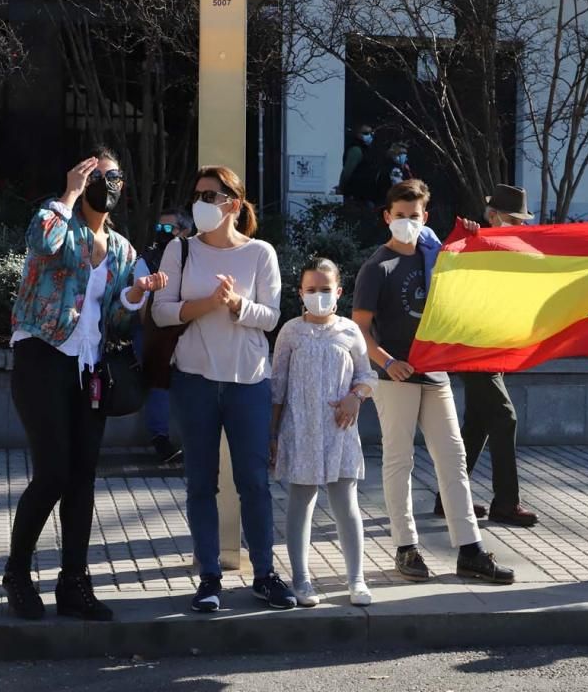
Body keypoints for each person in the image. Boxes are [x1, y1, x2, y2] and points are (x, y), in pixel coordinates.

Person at [3, 147, 167, 621]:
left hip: (91, 368)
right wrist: (68, 195)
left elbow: (114, 317)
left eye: (116, 178)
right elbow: (39, 240)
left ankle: (74, 582)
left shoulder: (120, 248)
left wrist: (136, 294)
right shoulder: (59, 222)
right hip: (42, 356)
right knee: (53, 472)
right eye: (101, 176)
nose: (109, 185)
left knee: (83, 479)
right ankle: (17, 573)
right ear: (82, 176)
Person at [352, 179, 516, 584]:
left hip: (435, 373)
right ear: (387, 217)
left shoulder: (435, 253)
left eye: (415, 215)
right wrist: (388, 363)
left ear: (426, 216)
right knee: (399, 461)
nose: (407, 221)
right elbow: (359, 330)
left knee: (453, 459)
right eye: (400, 215)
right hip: (395, 378)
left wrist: (476, 240)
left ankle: (470, 549)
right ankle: (406, 548)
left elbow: (469, 279)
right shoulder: (377, 266)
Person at [152, 165, 297, 613]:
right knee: (200, 482)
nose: (200, 204)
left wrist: (237, 305)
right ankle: (209, 577)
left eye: (210, 196)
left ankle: (265, 575)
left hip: (248, 380)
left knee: (253, 482)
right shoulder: (179, 250)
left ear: (233, 204)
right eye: (197, 195)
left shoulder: (260, 253)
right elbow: (161, 313)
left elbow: (272, 317)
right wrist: (207, 304)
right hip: (194, 379)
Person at [427, 185, 539, 527]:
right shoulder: (472, 243)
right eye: (512, 219)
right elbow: (448, 263)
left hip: (487, 348)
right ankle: (506, 503)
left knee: (476, 426)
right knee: (504, 418)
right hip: (473, 349)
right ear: (492, 216)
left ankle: (448, 499)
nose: (517, 226)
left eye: (521, 220)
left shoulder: (505, 249)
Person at [272, 257, 377, 607]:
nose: (319, 295)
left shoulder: (349, 331)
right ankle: (301, 580)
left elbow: (367, 375)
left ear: (339, 292)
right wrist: (272, 435)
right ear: (300, 293)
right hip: (300, 429)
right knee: (301, 502)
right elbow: (278, 386)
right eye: (312, 289)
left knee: (346, 504)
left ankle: (356, 579)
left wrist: (355, 397)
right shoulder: (290, 331)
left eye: (326, 289)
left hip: (339, 432)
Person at [132, 208, 193, 464]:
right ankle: (160, 439)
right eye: (160, 228)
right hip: (155, 330)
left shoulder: (197, 257)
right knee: (159, 385)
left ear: (185, 231)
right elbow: (143, 307)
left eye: (169, 229)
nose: (162, 234)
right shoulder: (147, 260)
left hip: (190, 329)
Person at [337, 123, 376, 203]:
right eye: (365, 133)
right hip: (355, 195)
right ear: (358, 134)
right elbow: (347, 172)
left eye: (371, 133)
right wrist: (341, 188)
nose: (369, 136)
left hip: (365, 194)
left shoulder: (366, 150)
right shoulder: (356, 150)